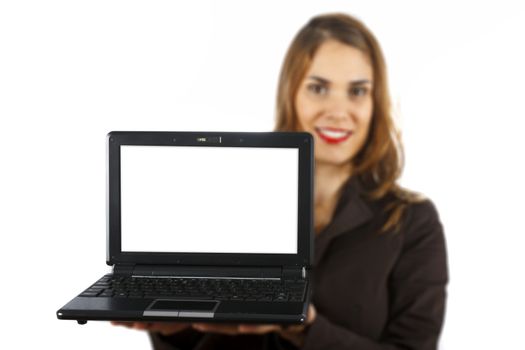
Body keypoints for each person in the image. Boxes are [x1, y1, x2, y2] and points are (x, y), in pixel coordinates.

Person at [112, 13, 448, 350]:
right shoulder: (230, 198)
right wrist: (173, 328)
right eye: (318, 88)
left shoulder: (412, 222)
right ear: (292, 94)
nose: (337, 110)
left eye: (357, 91)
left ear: (375, 103)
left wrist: (306, 328)